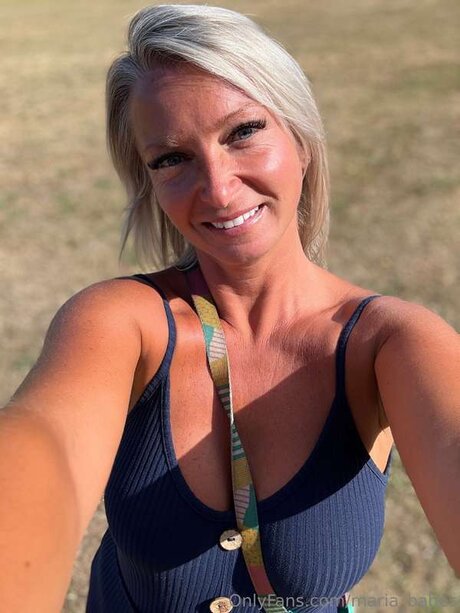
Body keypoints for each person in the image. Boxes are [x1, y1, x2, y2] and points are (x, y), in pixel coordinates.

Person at [1, 4, 458, 612]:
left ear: (301, 139)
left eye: (242, 132)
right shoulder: (121, 323)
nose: (217, 188)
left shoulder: (389, 343)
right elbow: (42, 446)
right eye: (171, 159)